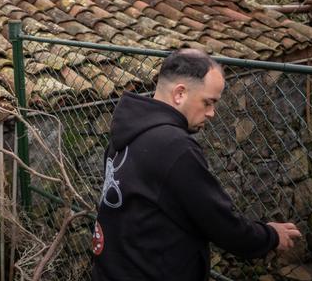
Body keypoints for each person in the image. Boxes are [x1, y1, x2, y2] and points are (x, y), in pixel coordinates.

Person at [91, 48, 301, 281]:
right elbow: (219, 221)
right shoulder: (174, 147)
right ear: (179, 93)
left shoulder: (127, 130)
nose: (212, 113)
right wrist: (270, 236)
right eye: (208, 102)